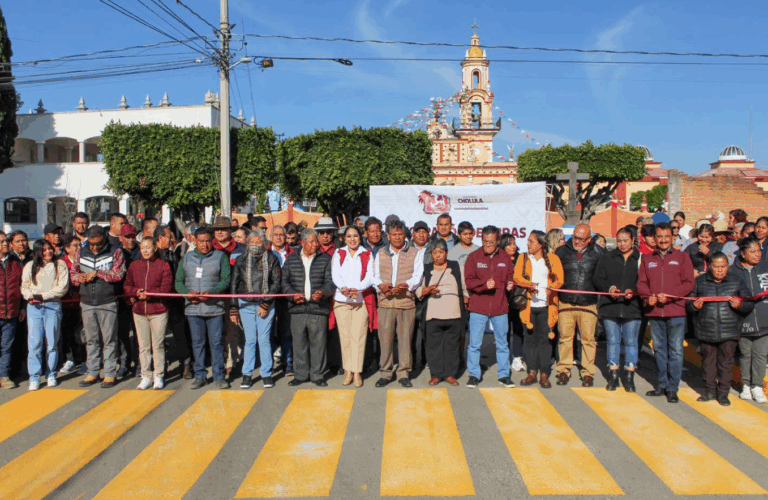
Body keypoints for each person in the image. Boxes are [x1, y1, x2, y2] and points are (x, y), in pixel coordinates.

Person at [637, 222, 695, 403]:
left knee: (676, 351)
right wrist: (648, 298)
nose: (663, 240)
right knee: (660, 350)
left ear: (673, 238)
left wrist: (670, 297)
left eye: (666, 236)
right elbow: (641, 283)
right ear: (654, 238)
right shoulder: (647, 259)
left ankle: (672, 388)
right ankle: (662, 384)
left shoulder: (683, 257)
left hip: (676, 312)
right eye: (659, 236)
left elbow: (689, 283)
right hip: (655, 312)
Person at [689, 252, 753, 406]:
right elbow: (688, 304)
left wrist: (740, 305)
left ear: (727, 266)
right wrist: (693, 306)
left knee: (726, 364)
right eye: (716, 267)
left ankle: (723, 394)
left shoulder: (737, 281)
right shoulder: (700, 281)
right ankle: (710, 391)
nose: (719, 270)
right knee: (708, 364)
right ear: (710, 266)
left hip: (729, 330)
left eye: (723, 267)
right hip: (706, 330)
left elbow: (749, 304)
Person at [175, 226, 232, 389]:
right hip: (193, 309)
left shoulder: (220, 256)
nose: (205, 245)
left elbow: (225, 280)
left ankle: (219, 376)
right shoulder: (186, 258)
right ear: (195, 241)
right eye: (201, 241)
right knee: (197, 343)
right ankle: (200, 375)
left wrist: (213, 293)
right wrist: (187, 294)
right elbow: (178, 282)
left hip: (214, 308)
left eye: (208, 241)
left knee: (216, 343)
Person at [70, 225, 126, 388]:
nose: (94, 247)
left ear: (104, 239)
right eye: (91, 244)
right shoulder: (81, 252)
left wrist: (98, 273)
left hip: (107, 301)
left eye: (98, 244)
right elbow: (73, 274)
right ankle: (92, 372)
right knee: (91, 339)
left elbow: (118, 275)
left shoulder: (115, 252)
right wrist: (78, 278)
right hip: (87, 301)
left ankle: (109, 373)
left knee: (109, 340)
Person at [373, 220, 424, 388]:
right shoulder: (381, 252)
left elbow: (418, 276)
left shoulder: (415, 253)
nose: (396, 237)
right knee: (385, 341)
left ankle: (403, 373)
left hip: (405, 303)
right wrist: (380, 285)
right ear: (388, 236)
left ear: (405, 235)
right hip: (385, 302)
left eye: (400, 234)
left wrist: (407, 285)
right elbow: (374, 275)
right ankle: (385, 373)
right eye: (393, 234)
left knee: (405, 340)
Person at [282, 228, 335, 387]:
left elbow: (330, 282)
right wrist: (292, 294)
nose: (315, 245)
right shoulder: (291, 260)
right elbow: (284, 282)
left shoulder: (325, 259)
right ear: (303, 242)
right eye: (311, 241)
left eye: (315, 241)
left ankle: (317, 375)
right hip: (297, 309)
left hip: (318, 308)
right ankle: (300, 374)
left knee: (318, 344)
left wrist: (323, 293)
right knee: (299, 344)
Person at [464, 225, 516, 388]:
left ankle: (504, 375)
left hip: (500, 306)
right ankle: (474, 374)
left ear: (498, 241)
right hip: (478, 307)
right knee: (474, 344)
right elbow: (469, 282)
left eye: (491, 242)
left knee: (502, 344)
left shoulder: (505, 258)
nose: (487, 245)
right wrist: (485, 285)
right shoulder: (474, 257)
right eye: (485, 242)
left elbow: (511, 277)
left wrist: (510, 284)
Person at [230, 229, 282, 389]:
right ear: (247, 244)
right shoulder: (240, 260)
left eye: (258, 243)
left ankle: (266, 373)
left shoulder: (272, 259)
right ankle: (247, 374)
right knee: (250, 340)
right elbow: (234, 284)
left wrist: (265, 303)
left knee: (264, 340)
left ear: (265, 244)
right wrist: (233, 308)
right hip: (245, 304)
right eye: (252, 242)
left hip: (265, 306)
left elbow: (276, 283)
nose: (255, 245)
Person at [593, 227, 643, 392]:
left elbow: (645, 281)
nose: (622, 244)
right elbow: (598, 279)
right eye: (619, 241)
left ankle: (629, 376)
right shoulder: (607, 257)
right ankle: (613, 376)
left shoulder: (640, 258)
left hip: (632, 307)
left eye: (626, 241)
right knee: (612, 342)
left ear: (633, 241)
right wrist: (610, 288)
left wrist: (633, 290)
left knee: (631, 342)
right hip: (611, 306)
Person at [554, 223, 604, 387]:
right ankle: (563, 370)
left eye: (581, 239)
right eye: (574, 237)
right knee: (565, 338)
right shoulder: (561, 251)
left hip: (588, 304)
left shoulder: (598, 253)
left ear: (589, 239)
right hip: (566, 302)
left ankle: (588, 373)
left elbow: (603, 277)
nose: (576, 241)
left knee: (588, 340)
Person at [514, 231, 564, 388]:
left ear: (541, 244)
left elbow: (560, 279)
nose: (528, 244)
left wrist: (553, 287)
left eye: (531, 241)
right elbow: (516, 277)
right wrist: (529, 285)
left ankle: (544, 374)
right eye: (528, 241)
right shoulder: (523, 258)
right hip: (528, 307)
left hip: (546, 306)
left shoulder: (553, 258)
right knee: (529, 340)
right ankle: (531, 372)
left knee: (545, 341)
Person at [123, 238, 172, 390]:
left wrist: (149, 295)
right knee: (143, 346)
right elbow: (127, 285)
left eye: (148, 247)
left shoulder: (163, 265)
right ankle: (146, 375)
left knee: (157, 345)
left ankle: (159, 375)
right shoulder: (134, 265)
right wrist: (134, 292)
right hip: (139, 311)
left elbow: (166, 288)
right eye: (142, 247)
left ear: (155, 248)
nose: (145, 251)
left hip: (158, 310)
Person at [417, 239, 466, 386]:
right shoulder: (425, 269)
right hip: (433, 313)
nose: (438, 255)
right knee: (433, 346)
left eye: (441, 252)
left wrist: (467, 300)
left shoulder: (456, 266)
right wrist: (427, 290)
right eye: (435, 252)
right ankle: (436, 374)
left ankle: (450, 374)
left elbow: (464, 287)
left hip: (453, 313)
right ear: (431, 254)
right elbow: (418, 289)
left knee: (452, 345)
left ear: (446, 253)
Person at [21, 240, 69, 390]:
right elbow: (24, 286)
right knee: (34, 343)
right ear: (37, 252)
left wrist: (43, 296)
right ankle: (34, 377)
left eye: (50, 249)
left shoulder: (59, 265)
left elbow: (62, 288)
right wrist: (30, 296)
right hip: (34, 308)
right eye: (44, 250)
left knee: (52, 342)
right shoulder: (30, 266)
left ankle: (51, 374)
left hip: (52, 306)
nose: (48, 252)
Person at [331, 225, 374, 387]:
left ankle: (357, 372)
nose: (352, 239)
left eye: (355, 236)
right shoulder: (338, 253)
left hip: (360, 301)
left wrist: (359, 289)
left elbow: (370, 276)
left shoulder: (367, 254)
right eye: (349, 236)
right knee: (345, 338)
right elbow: (335, 274)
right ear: (344, 238)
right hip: (342, 301)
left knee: (359, 337)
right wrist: (343, 288)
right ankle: (347, 370)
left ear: (360, 237)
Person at [730, 237, 768, 403]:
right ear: (743, 254)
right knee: (746, 354)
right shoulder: (733, 272)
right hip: (743, 319)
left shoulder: (765, 267)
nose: (757, 254)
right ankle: (746, 384)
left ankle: (757, 386)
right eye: (752, 251)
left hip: (764, 319)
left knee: (761, 355)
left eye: (759, 250)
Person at [155, 223, 192, 379]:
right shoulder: (153, 255)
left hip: (175, 301)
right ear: (160, 237)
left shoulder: (171, 255)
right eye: (168, 237)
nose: (171, 240)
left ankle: (187, 364)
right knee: (158, 338)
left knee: (180, 334)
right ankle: (159, 368)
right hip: (157, 302)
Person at [212, 216, 245, 378]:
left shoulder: (241, 249)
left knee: (233, 331)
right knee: (216, 332)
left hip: (234, 296)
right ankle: (218, 363)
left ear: (230, 231)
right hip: (213, 297)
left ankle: (232, 363)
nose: (219, 232)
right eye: (217, 229)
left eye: (223, 229)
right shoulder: (209, 248)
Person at [0, 231, 23, 389]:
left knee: (7, 346)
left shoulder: (15, 262)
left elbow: (21, 286)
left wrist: (22, 307)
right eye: (1, 242)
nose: (5, 244)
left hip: (11, 311)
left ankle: (4, 376)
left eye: (6, 241)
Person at [499, 234, 525, 372]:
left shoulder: (521, 259)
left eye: (514, 243)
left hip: (518, 298)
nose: (513, 246)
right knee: (504, 330)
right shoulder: (498, 259)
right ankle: (504, 358)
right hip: (502, 299)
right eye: (509, 244)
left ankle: (517, 358)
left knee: (518, 329)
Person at [60, 234, 85, 375]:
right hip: (66, 303)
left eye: (79, 245)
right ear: (67, 248)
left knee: (81, 334)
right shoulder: (61, 263)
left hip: (82, 302)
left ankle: (83, 360)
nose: (78, 248)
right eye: (75, 246)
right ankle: (70, 359)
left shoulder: (84, 261)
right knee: (67, 333)